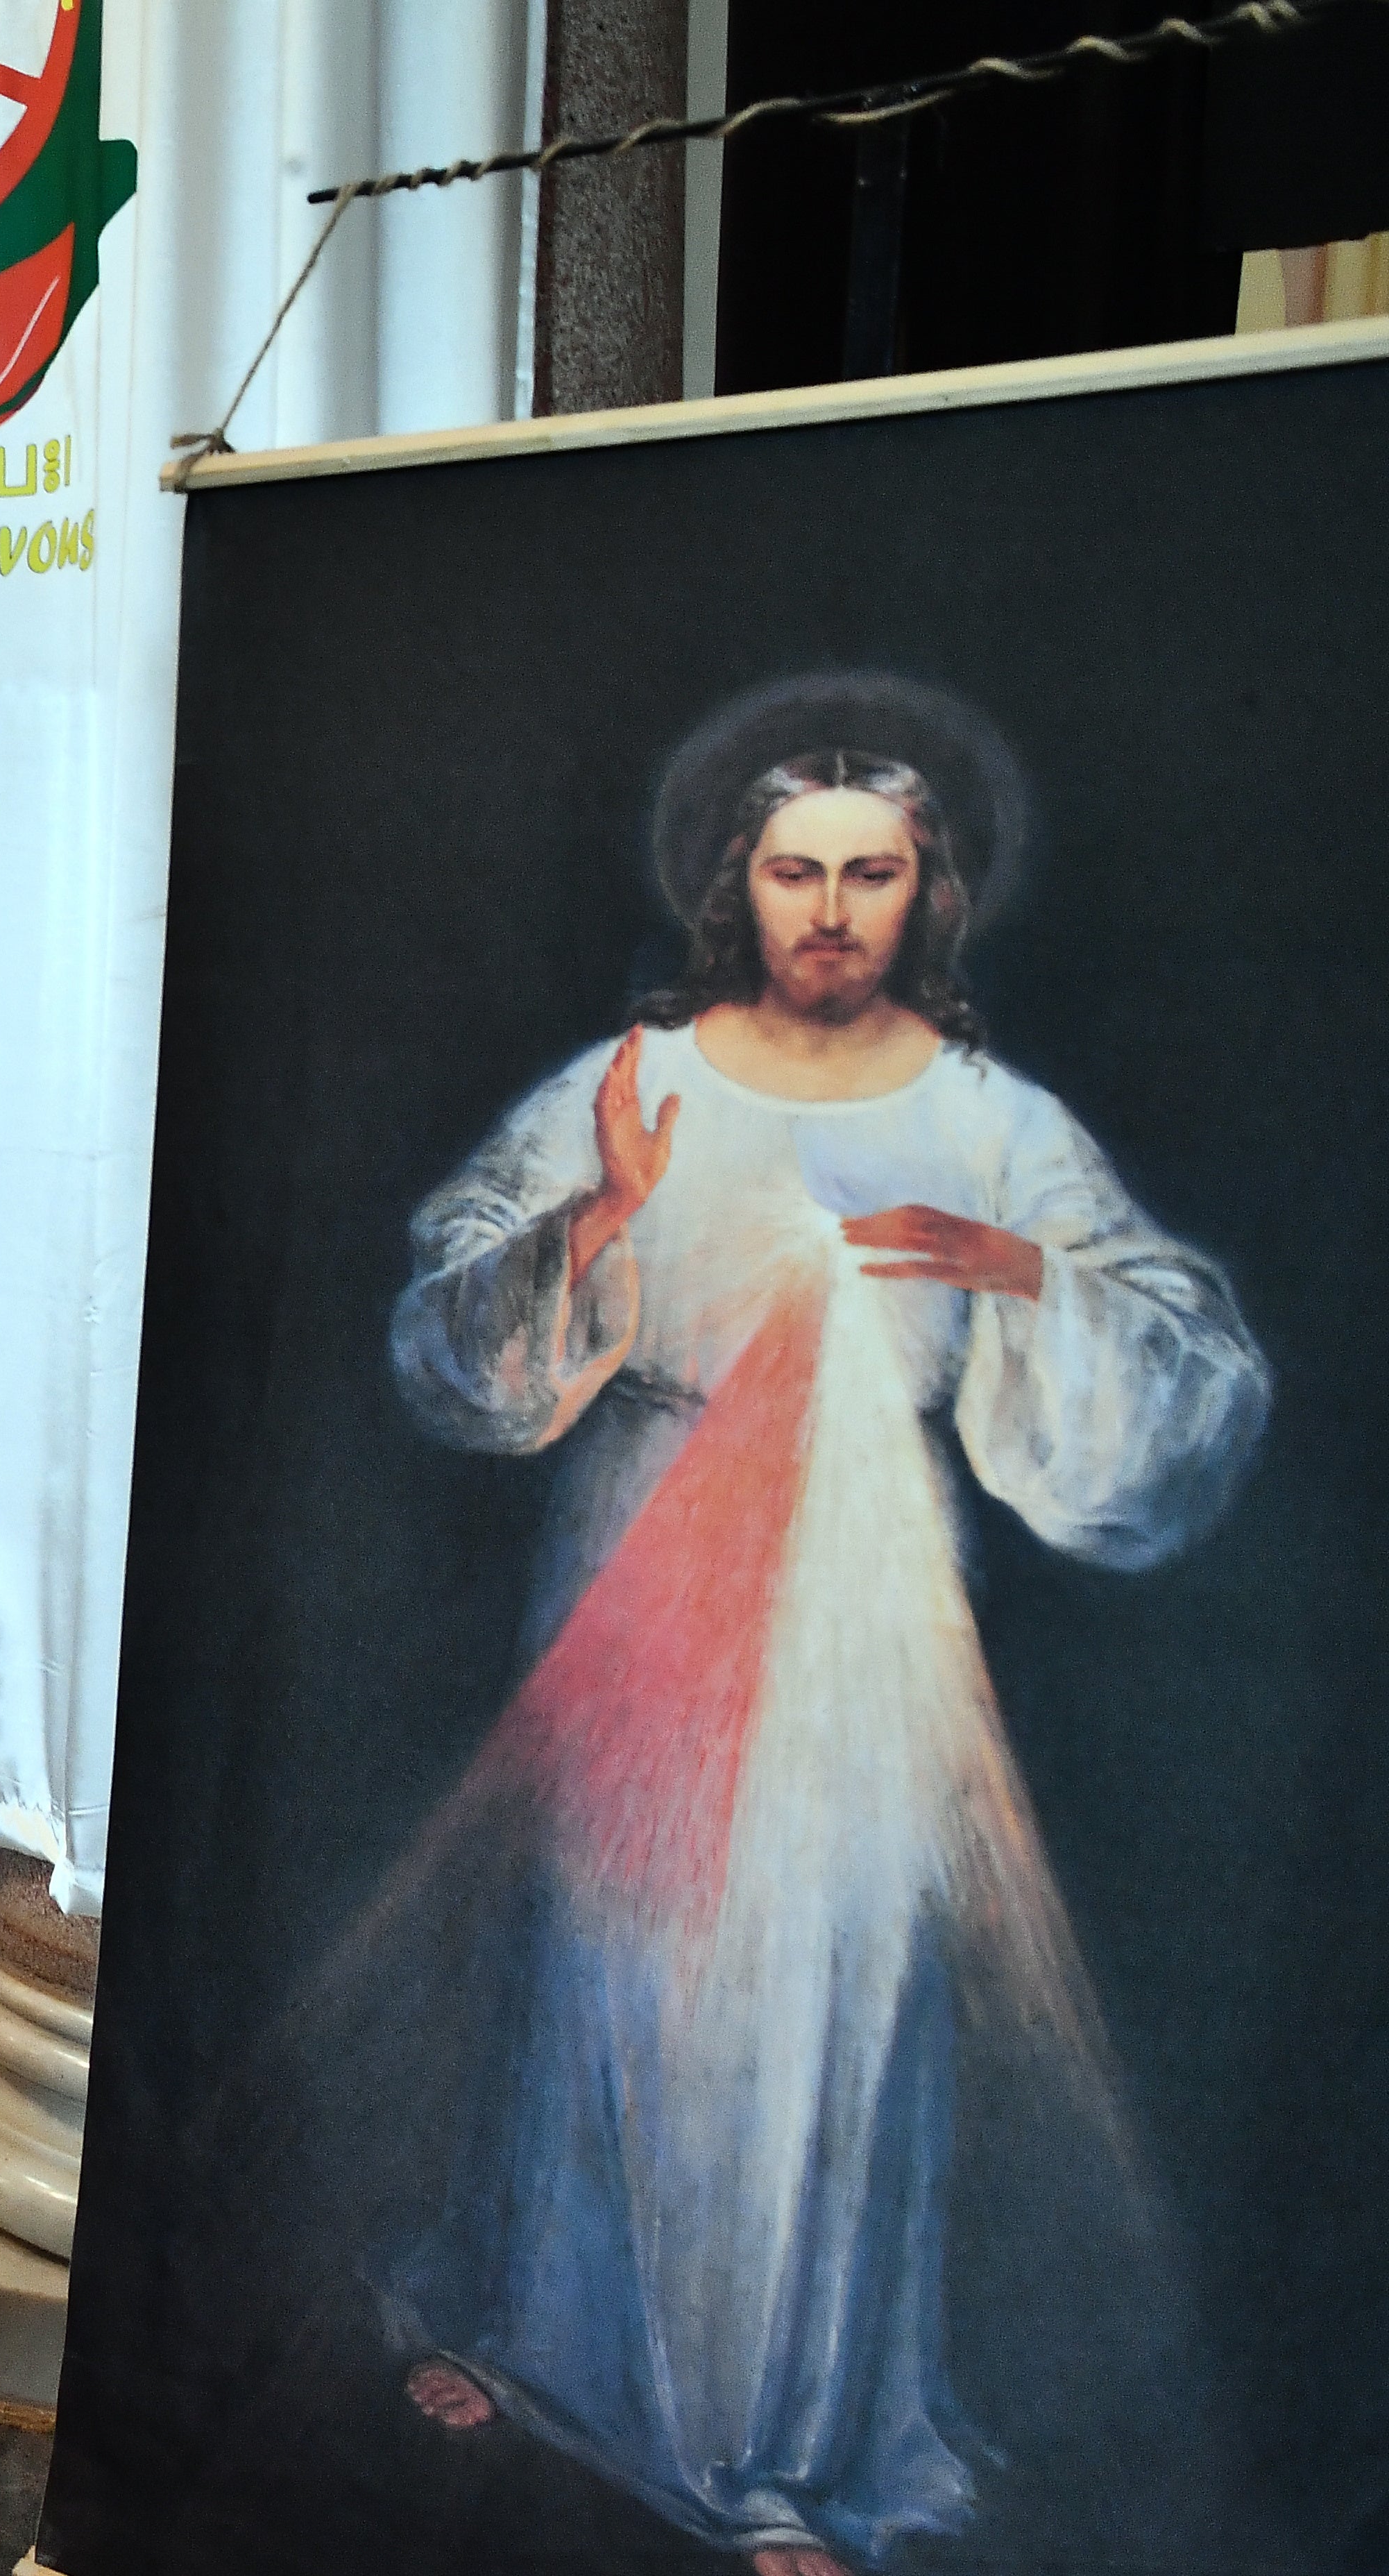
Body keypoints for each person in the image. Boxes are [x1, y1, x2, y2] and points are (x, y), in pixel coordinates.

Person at [365, 734, 1267, 2574]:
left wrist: (1029, 1280)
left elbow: (1190, 1361)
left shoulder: (995, 1117)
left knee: (838, 1990)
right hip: (641, 1551)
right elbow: (443, 1322)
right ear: (737, 883)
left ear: (926, 890)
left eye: (873, 873)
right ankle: (545, 2336)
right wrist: (599, 1217)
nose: (837, 911)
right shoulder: (636, 1080)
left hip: (874, 1591)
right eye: (801, 871)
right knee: (611, 1957)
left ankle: (780, 2447)